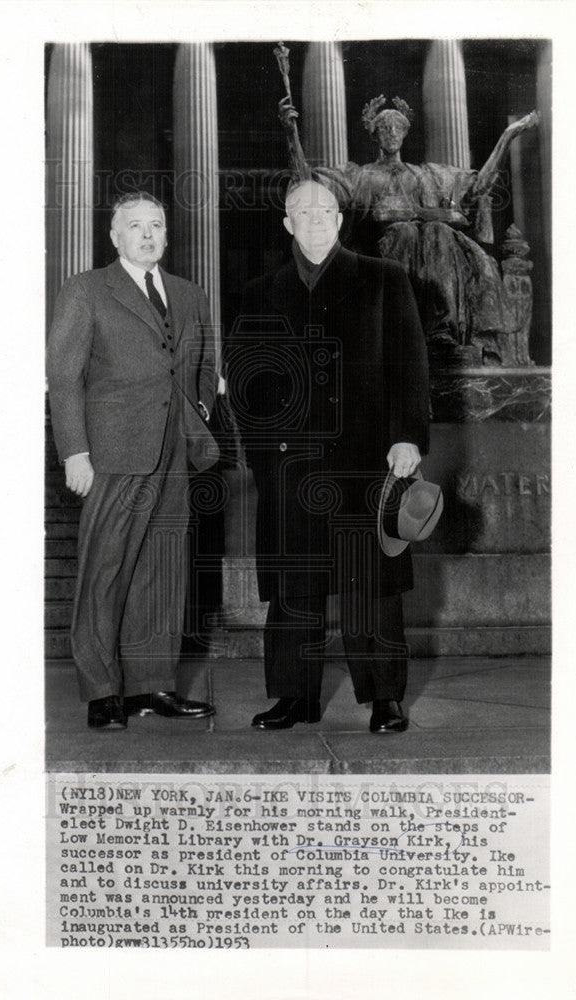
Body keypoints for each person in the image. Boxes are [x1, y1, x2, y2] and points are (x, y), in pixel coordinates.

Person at [226, 178, 430, 733]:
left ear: (339, 220)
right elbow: (246, 384)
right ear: (287, 224)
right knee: (295, 584)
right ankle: (293, 697)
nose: (314, 218)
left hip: (368, 459)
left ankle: (385, 697)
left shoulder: (384, 280)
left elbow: (410, 367)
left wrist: (408, 436)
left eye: (324, 210)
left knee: (373, 586)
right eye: (301, 211)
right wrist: (265, 456)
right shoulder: (257, 292)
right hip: (291, 466)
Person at [46, 192, 219, 729]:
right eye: (135, 226)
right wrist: (75, 451)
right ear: (114, 237)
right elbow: (64, 376)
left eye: (156, 226)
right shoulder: (86, 290)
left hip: (174, 451)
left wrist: (202, 412)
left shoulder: (190, 295)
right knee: (105, 571)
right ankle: (103, 692)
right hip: (113, 453)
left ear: (166, 236)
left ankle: (152, 687)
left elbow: (204, 360)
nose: (148, 235)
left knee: (163, 572)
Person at [280, 94, 538, 360]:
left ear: (405, 134)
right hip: (377, 251)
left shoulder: (427, 175)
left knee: (439, 232)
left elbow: (479, 186)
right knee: (403, 232)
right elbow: (307, 182)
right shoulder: (359, 175)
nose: (391, 132)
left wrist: (508, 135)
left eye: (397, 127)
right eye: (384, 127)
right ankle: (403, 326)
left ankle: (441, 328)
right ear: (374, 135)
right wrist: (291, 135)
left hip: (428, 250)